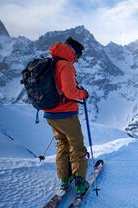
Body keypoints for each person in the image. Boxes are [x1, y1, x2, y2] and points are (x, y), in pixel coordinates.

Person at [44, 37, 89, 196]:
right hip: (66, 113)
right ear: (74, 53)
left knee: (62, 144)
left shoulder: (52, 63)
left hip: (50, 113)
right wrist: (83, 94)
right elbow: (70, 92)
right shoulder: (66, 65)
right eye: (79, 57)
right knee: (77, 146)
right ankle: (80, 183)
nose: (77, 61)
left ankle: (64, 179)